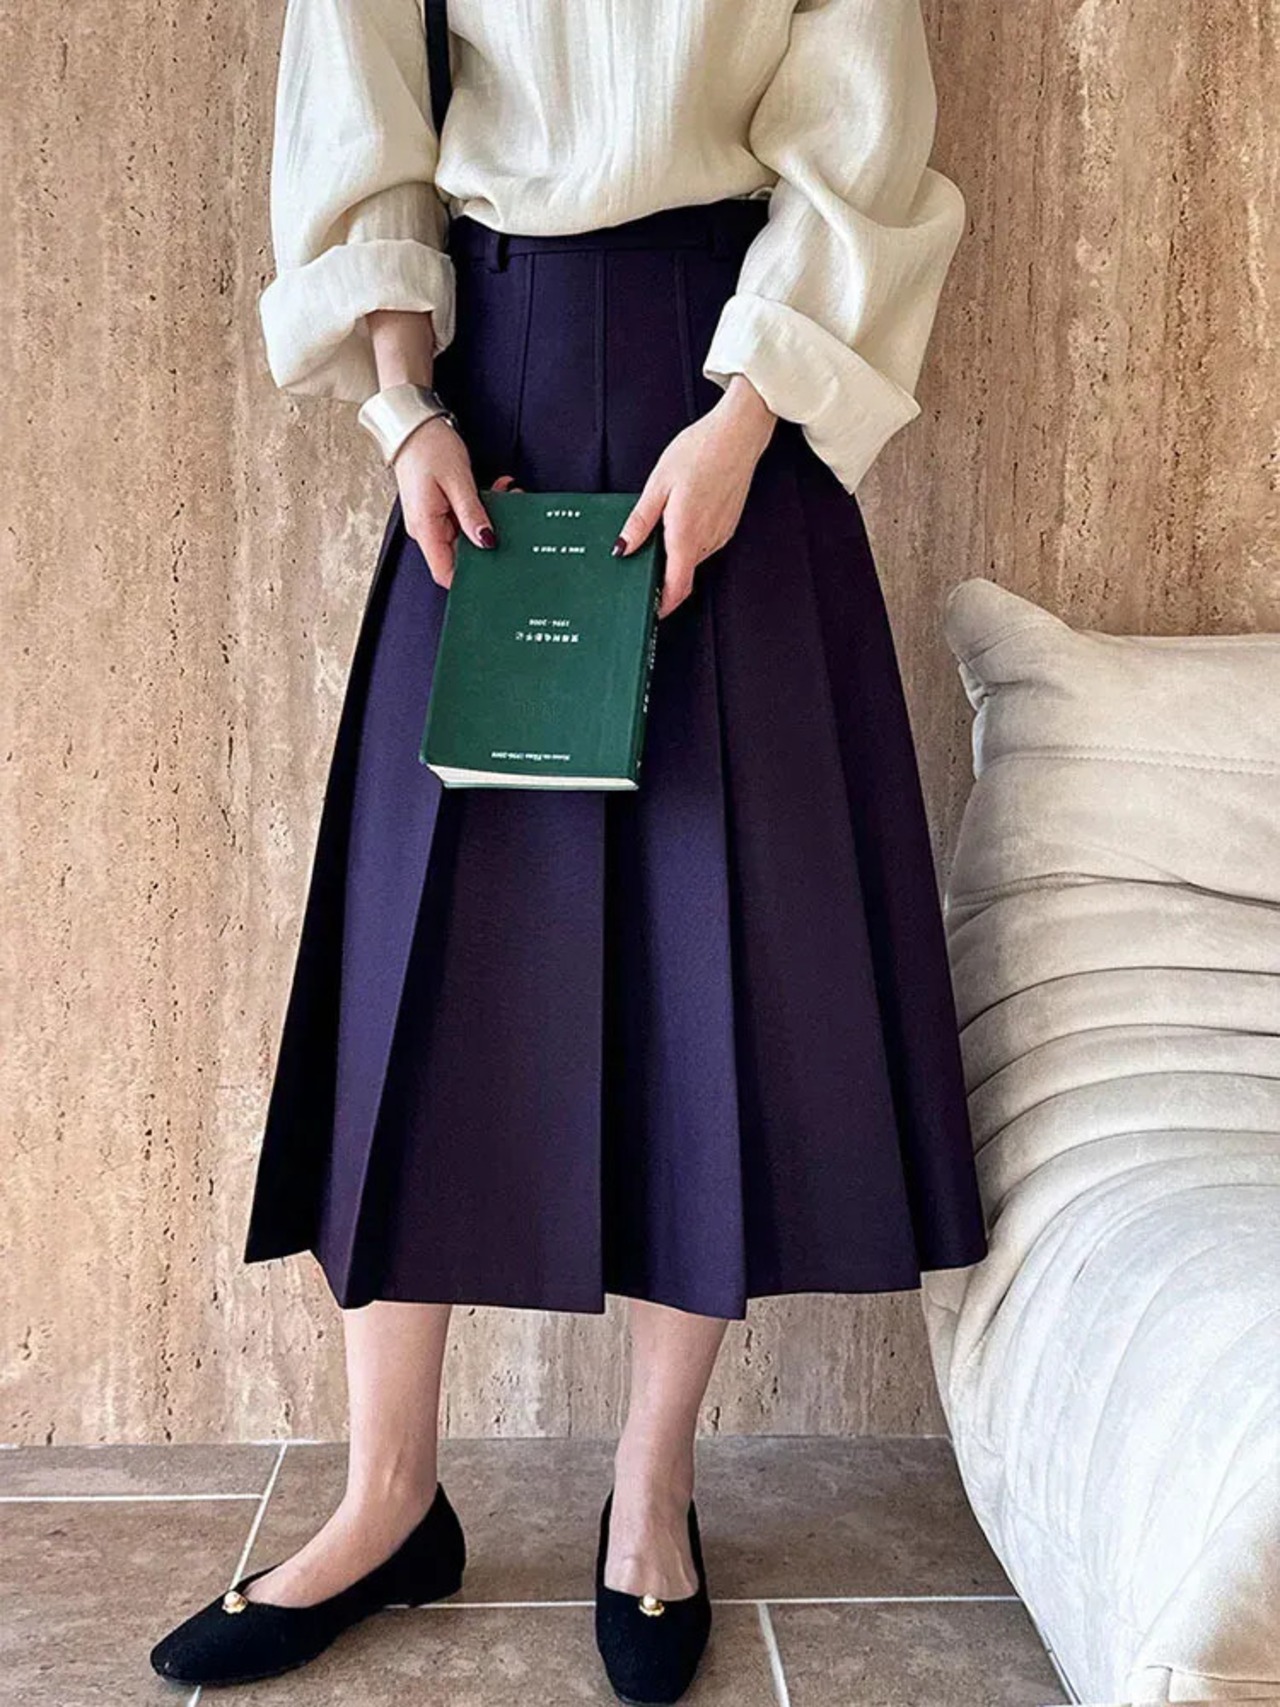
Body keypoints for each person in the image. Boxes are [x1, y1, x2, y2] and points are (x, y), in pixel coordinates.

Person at [151, 1, 988, 1700]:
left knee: (716, 964)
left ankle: (651, 1495)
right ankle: (389, 1499)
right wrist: (404, 411)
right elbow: (363, 112)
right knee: (416, 971)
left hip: (732, 403)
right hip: (490, 406)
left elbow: (861, 141)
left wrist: (749, 419)